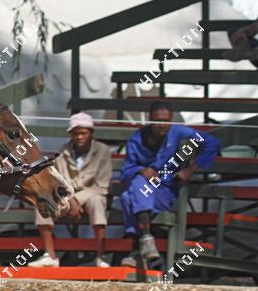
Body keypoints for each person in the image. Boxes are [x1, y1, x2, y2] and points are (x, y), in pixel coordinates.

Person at [118, 102, 221, 265]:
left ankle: (137, 247)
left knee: (127, 197)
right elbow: (125, 173)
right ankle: (146, 239)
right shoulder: (136, 139)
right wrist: (141, 170)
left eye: (165, 120)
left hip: (164, 190)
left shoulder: (178, 132)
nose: (161, 125)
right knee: (137, 183)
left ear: (171, 120)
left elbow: (212, 142)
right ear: (150, 119)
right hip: (143, 189)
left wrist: (191, 169)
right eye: (157, 120)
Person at [28, 112, 113, 268]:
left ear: (91, 133)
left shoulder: (103, 151)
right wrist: (70, 200)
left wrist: (75, 200)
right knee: (43, 202)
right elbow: (59, 182)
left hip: (91, 195)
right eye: (75, 133)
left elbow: (102, 185)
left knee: (97, 202)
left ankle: (101, 256)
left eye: (83, 133)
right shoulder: (63, 151)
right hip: (66, 197)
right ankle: (50, 256)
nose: (79, 137)